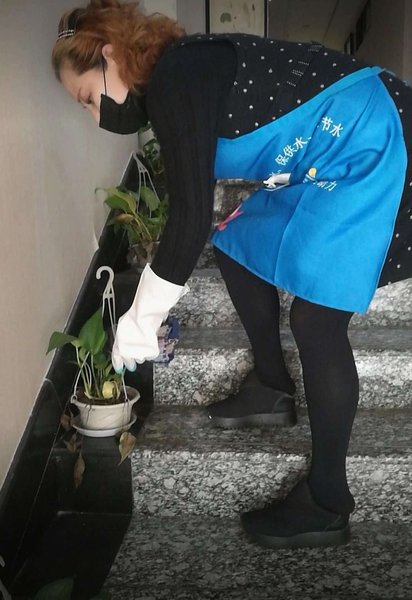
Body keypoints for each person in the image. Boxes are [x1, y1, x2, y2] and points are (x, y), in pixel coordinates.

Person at [52, 0, 412, 549]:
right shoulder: (178, 80)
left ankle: (328, 502)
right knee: (238, 244)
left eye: (86, 97)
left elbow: (189, 215)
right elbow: (198, 211)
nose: (93, 115)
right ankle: (272, 386)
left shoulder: (177, 76)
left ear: (110, 55)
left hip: (369, 137)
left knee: (316, 321)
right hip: (323, 158)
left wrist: (141, 318)